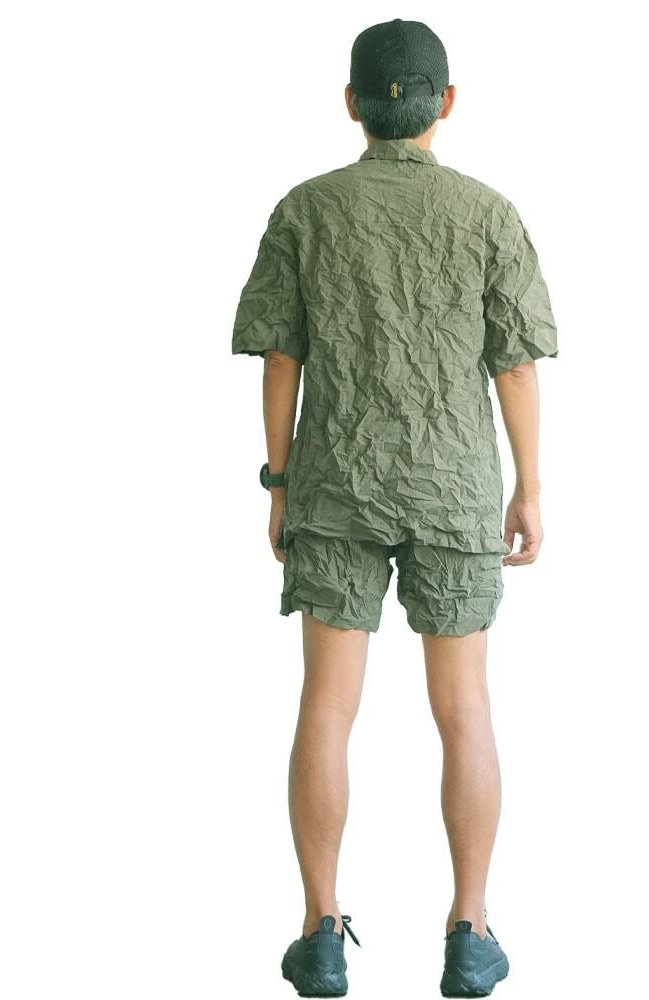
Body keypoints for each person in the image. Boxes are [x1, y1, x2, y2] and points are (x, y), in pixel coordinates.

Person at [231, 18, 558, 998]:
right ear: (445, 104)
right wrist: (529, 486)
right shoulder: (488, 213)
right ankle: (471, 930)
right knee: (464, 710)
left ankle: (320, 932)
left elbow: (280, 356)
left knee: (327, 707)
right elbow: (515, 365)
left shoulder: (305, 210)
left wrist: (280, 482)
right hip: (454, 488)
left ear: (352, 103)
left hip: (335, 483)